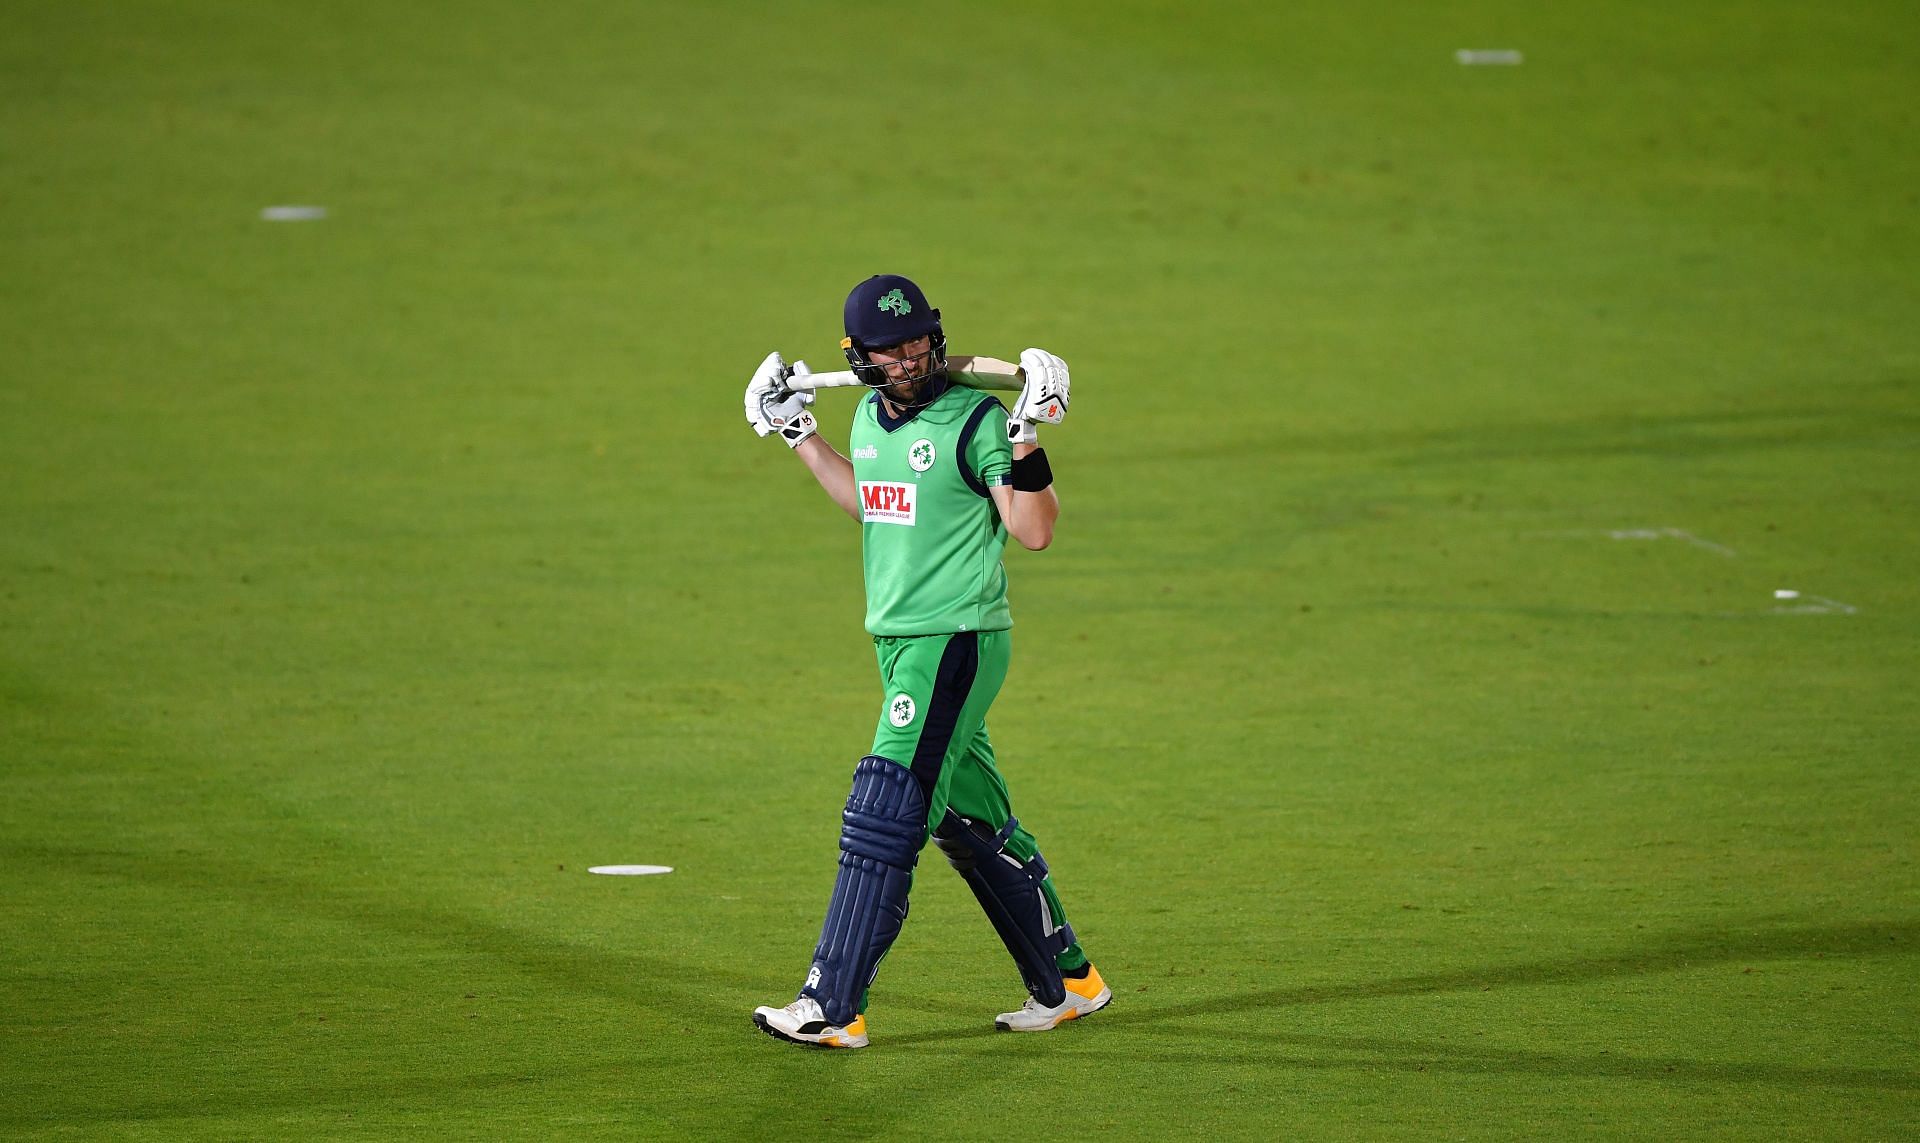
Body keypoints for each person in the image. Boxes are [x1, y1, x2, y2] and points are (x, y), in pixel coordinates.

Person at [740, 274, 1110, 1049]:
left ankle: (833, 1003)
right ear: (859, 357)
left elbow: (1033, 529)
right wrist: (799, 433)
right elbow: (874, 500)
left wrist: (1028, 431)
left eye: (918, 343)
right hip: (904, 641)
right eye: (891, 349)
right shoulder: (869, 419)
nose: (910, 359)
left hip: (954, 642)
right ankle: (1069, 980)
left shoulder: (975, 418)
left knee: (887, 804)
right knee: (969, 818)